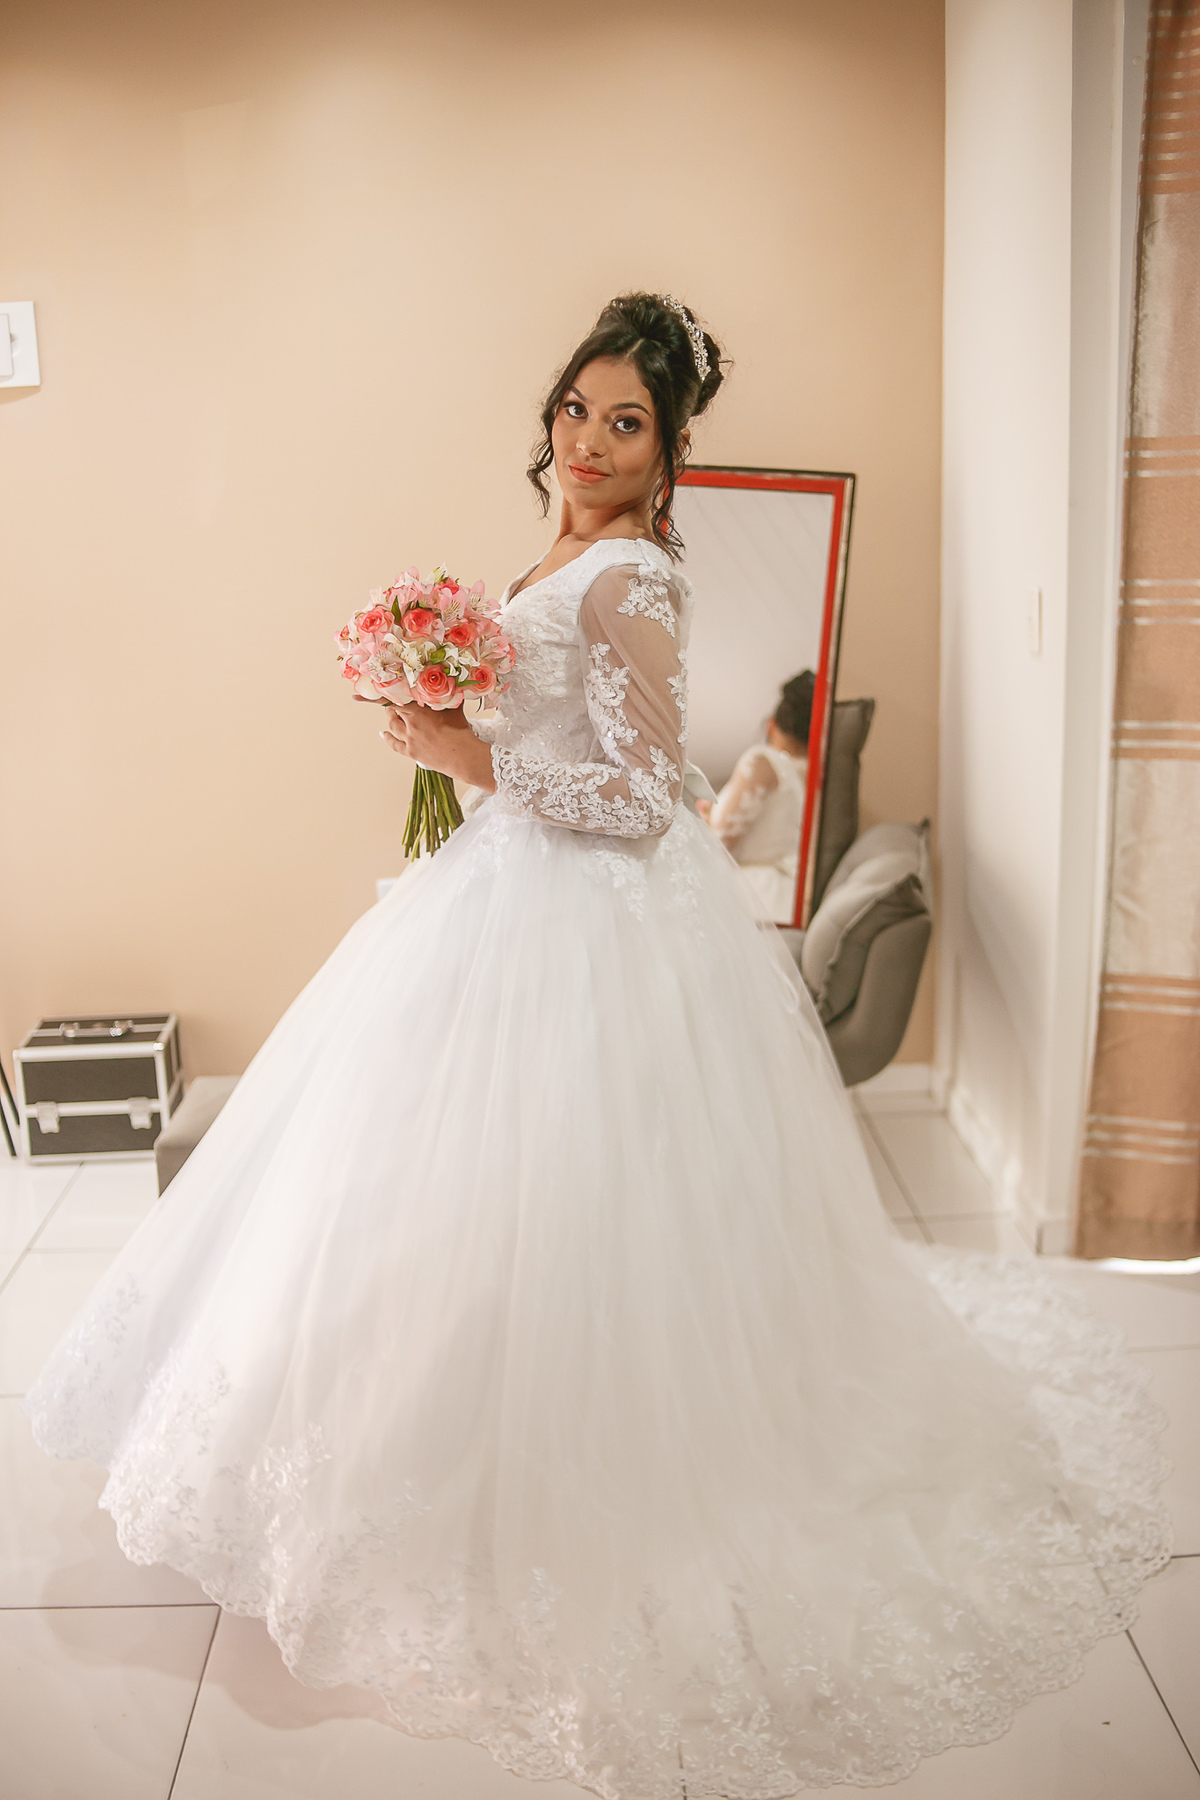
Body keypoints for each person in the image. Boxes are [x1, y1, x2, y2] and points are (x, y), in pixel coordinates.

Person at [26, 293, 1169, 1800]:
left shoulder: (633, 574)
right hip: (500, 891)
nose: (590, 440)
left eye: (626, 423)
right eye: (577, 408)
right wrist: (447, 726)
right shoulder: (557, 556)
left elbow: (641, 800)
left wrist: (471, 750)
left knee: (572, 1210)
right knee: (414, 1201)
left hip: (590, 922)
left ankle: (557, 1492)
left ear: (666, 450)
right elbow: (560, 745)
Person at [708, 671, 814, 922]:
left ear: (772, 725)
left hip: (750, 894)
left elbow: (720, 843)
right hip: (787, 897)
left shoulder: (764, 760)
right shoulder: (811, 777)